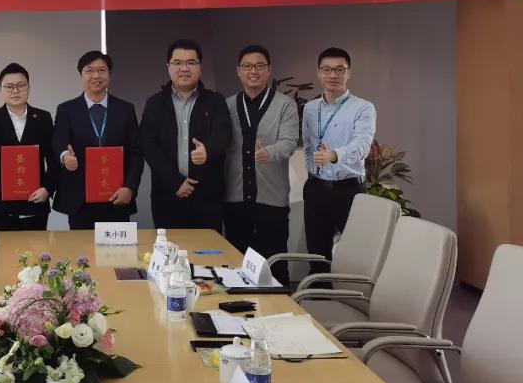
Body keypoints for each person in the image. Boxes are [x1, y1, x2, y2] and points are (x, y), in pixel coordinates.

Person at [223, 45, 299, 281]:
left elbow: (289, 142)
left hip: (271, 200)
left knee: (276, 264)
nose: (253, 71)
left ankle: (282, 304)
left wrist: (269, 152)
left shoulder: (285, 104)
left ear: (269, 70)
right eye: (247, 66)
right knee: (237, 263)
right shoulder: (227, 105)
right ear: (238, 71)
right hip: (235, 199)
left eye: (259, 65)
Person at [140, 39, 231, 232]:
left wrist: (207, 151)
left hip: (208, 197)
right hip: (167, 194)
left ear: (200, 67)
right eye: (177, 63)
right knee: (169, 249)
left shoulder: (215, 101)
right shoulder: (154, 104)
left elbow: (223, 134)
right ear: (168, 67)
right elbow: (148, 146)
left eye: (191, 62)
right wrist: (175, 181)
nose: (184, 68)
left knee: (208, 250)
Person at [302, 47, 377, 272]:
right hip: (316, 189)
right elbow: (307, 145)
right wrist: (313, 167)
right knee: (317, 256)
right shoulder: (310, 108)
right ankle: (319, 294)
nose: (332, 75)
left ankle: (353, 295)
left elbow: (362, 146)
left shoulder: (363, 108)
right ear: (318, 73)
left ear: (348, 73)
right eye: (326, 69)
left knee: (356, 256)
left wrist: (333, 155)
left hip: (349, 190)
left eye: (339, 69)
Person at [52, 51, 144, 230]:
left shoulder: (125, 109)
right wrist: (65, 157)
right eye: (90, 70)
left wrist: (130, 188)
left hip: (117, 196)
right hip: (81, 200)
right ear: (81, 75)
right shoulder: (67, 109)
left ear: (109, 74)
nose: (96, 75)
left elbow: (136, 153)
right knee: (82, 248)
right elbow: (58, 141)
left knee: (117, 247)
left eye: (102, 70)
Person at [0, 63, 58, 231]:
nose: (15, 91)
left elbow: (53, 160)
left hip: (34, 202)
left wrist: (47, 189)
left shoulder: (43, 118)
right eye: (9, 86)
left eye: (21, 85)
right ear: (1, 90)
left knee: (34, 248)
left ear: (29, 88)